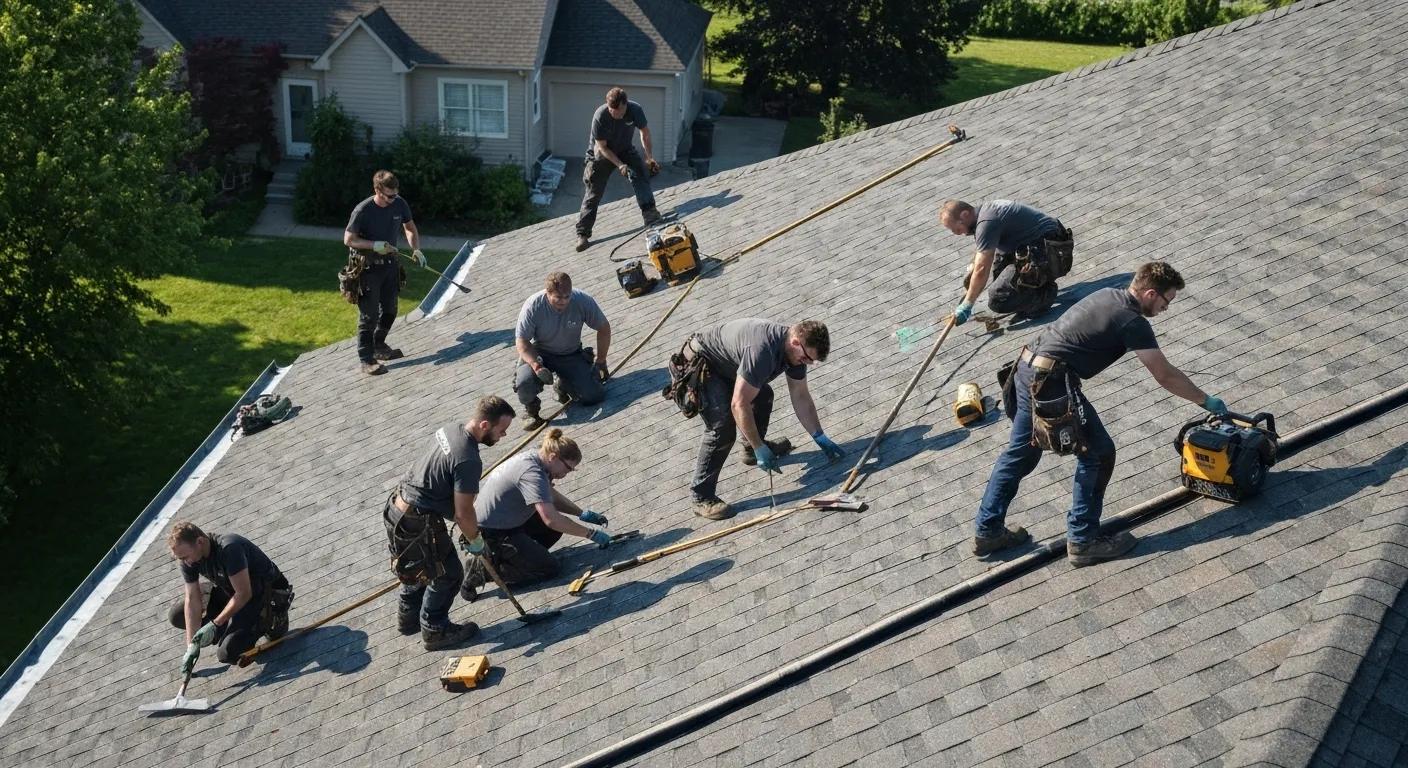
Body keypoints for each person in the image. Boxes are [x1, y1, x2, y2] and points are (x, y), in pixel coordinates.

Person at [973, 262, 1230, 566]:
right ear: (1150, 293)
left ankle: (987, 530)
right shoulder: (1132, 321)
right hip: (1051, 381)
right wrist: (1205, 401)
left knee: (1021, 453)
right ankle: (1084, 541)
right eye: (1166, 301)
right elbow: (1164, 375)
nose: (1165, 309)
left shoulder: (1108, 294)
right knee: (1098, 453)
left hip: (1026, 368)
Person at [383, 396, 515, 650]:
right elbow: (464, 514)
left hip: (396, 509)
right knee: (448, 574)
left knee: (417, 566)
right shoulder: (468, 460)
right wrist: (476, 540)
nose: (504, 436)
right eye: (502, 430)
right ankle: (434, 630)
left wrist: (465, 526)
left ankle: (408, 619)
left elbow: (443, 493)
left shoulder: (450, 429)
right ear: (485, 425)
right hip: (417, 519)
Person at [682, 319, 845, 520]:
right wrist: (761, 447)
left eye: (811, 361)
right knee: (722, 427)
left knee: (762, 395)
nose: (807, 364)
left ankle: (750, 449)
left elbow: (800, 395)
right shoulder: (762, 352)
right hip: (702, 365)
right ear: (795, 343)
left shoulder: (795, 351)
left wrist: (819, 436)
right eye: (806, 359)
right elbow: (738, 404)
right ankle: (701, 496)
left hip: (726, 365)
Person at [462, 429, 612, 590]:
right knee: (549, 568)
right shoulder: (532, 473)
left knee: (552, 531)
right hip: (491, 533)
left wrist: (581, 513)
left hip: (507, 520)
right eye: (568, 468)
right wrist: (590, 534)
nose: (567, 473)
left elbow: (549, 495)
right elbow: (551, 519)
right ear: (554, 457)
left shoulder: (539, 458)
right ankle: (484, 570)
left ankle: (520, 556)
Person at [167, 521, 293, 672]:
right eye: (180, 558)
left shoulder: (229, 548)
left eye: (185, 556)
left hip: (262, 593)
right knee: (177, 615)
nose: (185, 562)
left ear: (199, 542)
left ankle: (272, 620)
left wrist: (215, 624)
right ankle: (232, 627)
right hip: (231, 589)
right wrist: (191, 647)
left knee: (228, 653)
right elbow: (192, 599)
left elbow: (244, 593)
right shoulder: (189, 560)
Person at [343, 170, 425, 375]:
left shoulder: (399, 203)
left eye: (395, 194)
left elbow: (409, 227)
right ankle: (366, 359)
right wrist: (374, 245)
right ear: (377, 190)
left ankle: (379, 345)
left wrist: (416, 248)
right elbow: (349, 239)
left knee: (390, 310)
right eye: (389, 195)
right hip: (368, 269)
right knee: (369, 316)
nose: (393, 199)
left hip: (390, 266)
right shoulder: (362, 210)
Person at [940, 199, 1073, 323]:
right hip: (1040, 246)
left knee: (999, 298)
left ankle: (1045, 294)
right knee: (999, 276)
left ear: (964, 215)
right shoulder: (985, 213)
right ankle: (1037, 284)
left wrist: (967, 304)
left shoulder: (987, 222)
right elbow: (981, 254)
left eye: (955, 228)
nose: (956, 233)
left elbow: (982, 269)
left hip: (1053, 251)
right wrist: (972, 271)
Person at [514, 271, 612, 430]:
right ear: (547, 293)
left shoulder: (582, 301)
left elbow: (604, 328)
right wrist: (535, 366)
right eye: (558, 298)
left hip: (570, 354)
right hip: (540, 354)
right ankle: (531, 412)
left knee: (595, 396)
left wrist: (601, 361)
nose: (564, 301)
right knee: (524, 381)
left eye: (567, 297)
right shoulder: (533, 306)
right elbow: (522, 341)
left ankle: (563, 385)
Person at [574, 87, 663, 252]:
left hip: (625, 149)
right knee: (594, 191)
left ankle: (650, 214)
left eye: (618, 111)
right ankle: (583, 234)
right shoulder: (600, 116)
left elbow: (645, 133)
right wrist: (620, 165)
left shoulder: (635, 110)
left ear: (625, 104)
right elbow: (602, 147)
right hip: (602, 154)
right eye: (611, 110)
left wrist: (649, 157)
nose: (614, 114)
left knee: (640, 173)